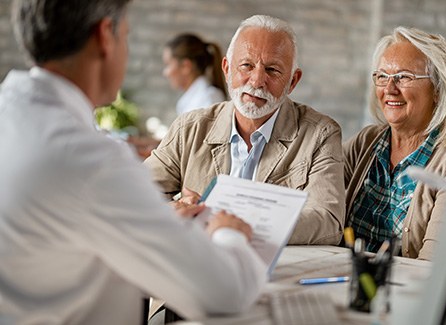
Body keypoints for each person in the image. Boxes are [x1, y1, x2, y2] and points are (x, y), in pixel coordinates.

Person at [0, 1, 267, 324]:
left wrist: (159, 221)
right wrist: (228, 232)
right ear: (104, 37)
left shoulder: (10, 113)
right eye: (126, 35)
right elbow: (227, 291)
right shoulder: (91, 161)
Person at [144, 14, 345, 245]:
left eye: (272, 70)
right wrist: (173, 210)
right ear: (227, 69)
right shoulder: (189, 128)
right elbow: (136, 193)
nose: (257, 80)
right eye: (247, 65)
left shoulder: (321, 135)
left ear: (292, 81)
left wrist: (236, 224)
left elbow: (328, 221)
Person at [343, 26, 446, 260]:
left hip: (405, 292)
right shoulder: (364, 143)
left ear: (438, 90)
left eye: (404, 77)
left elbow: (431, 266)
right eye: (382, 76)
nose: (390, 89)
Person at [163, 33, 227, 116]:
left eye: (168, 64)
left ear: (186, 66)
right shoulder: (192, 99)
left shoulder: (209, 99)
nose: (166, 73)